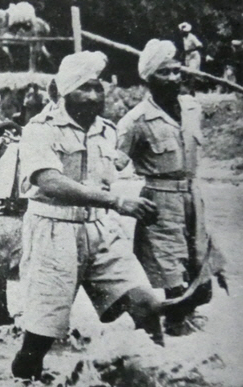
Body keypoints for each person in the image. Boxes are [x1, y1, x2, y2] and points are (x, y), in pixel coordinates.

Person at [12, 51, 164, 382]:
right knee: (43, 331)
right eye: (84, 88)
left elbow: (118, 170)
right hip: (53, 231)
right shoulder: (40, 129)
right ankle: (24, 376)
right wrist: (116, 201)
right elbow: (49, 181)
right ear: (64, 92)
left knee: (146, 304)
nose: (93, 96)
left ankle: (162, 372)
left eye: (98, 88)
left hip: (100, 229)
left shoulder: (107, 132)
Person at [116, 39, 227, 337]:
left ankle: (180, 315)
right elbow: (112, 165)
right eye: (164, 73)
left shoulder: (192, 108)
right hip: (159, 199)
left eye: (176, 71)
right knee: (169, 269)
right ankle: (174, 326)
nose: (174, 78)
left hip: (193, 194)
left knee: (200, 266)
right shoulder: (134, 121)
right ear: (148, 78)